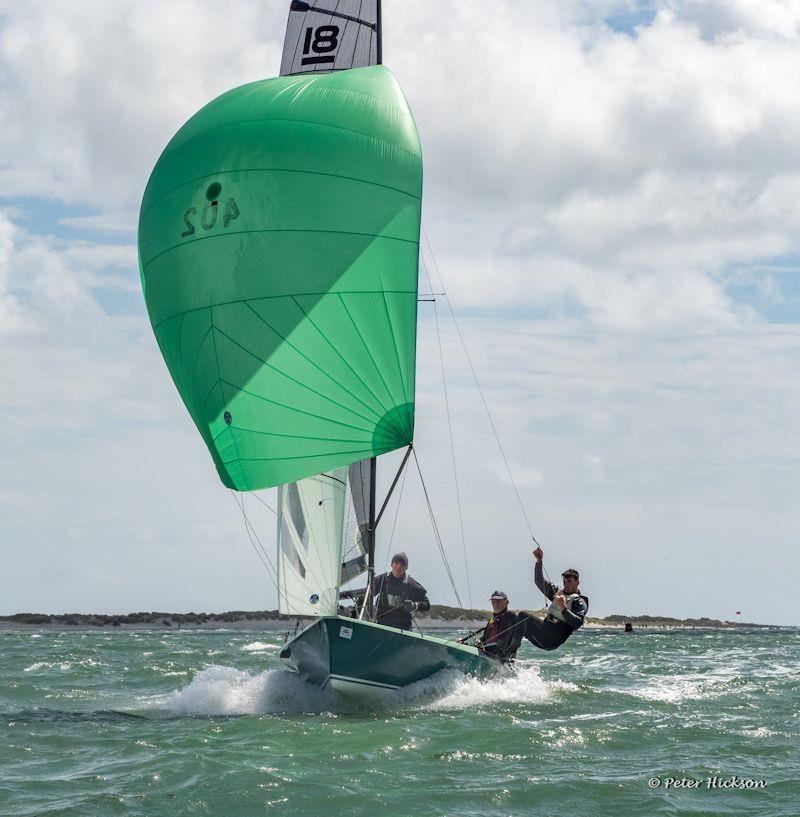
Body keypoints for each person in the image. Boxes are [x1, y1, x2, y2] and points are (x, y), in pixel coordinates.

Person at [518, 547, 589, 650]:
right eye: (564, 581)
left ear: (577, 583)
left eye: (569, 581)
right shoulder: (557, 592)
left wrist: (564, 608)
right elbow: (539, 581)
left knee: (524, 616)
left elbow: (577, 623)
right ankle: (505, 653)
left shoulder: (579, 601)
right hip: (544, 631)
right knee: (517, 619)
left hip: (553, 639)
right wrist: (539, 561)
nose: (566, 584)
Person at [370, 552, 430, 630]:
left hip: (403, 628)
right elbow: (366, 595)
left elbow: (427, 605)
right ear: (391, 565)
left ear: (406, 568)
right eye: (396, 563)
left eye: (402, 564)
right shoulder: (381, 580)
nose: (398, 566)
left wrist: (414, 605)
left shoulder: (411, 584)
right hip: (382, 626)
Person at [459, 590, 524, 662]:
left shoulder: (510, 616)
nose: (496, 604)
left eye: (499, 601)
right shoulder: (492, 621)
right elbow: (485, 639)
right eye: (494, 601)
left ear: (507, 602)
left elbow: (504, 642)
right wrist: (466, 644)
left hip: (502, 660)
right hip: (488, 656)